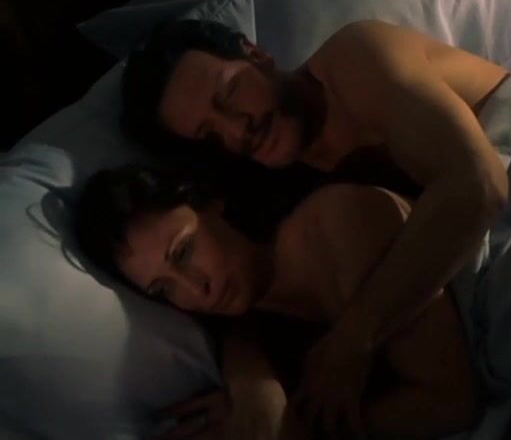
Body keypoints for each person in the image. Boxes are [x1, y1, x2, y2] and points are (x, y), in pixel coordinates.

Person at [122, 18, 510, 432]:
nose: (236, 130)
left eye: (229, 92)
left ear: (255, 54)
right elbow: (243, 292)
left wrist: (353, 337)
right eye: (210, 135)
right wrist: (253, 385)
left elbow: (480, 185)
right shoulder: (274, 181)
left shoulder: (351, 61)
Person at [74, 164, 481, 439]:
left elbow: (453, 401)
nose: (196, 291)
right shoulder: (244, 340)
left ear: (211, 205)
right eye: (163, 289)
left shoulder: (334, 224)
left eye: (184, 252)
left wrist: (292, 429)